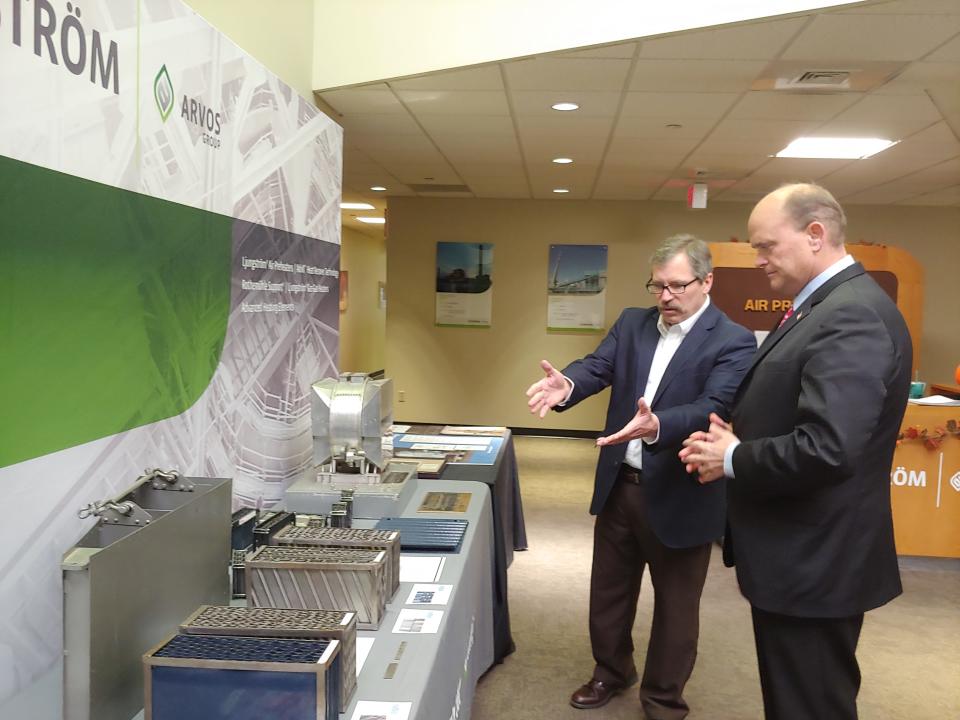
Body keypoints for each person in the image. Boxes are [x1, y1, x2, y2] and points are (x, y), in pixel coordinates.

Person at [679, 183, 912, 720]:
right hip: (803, 555)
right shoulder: (822, 307)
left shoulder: (851, 314)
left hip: (817, 560)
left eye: (766, 247)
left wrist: (733, 458)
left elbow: (828, 447)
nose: (758, 260)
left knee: (809, 705)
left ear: (815, 234)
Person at [526, 235, 755, 719]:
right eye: (658, 286)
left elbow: (717, 404)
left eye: (677, 286)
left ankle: (663, 698)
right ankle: (611, 671)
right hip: (621, 487)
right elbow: (596, 366)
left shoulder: (732, 339)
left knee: (676, 608)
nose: (666, 296)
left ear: (707, 281)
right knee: (608, 592)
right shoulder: (633, 323)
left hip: (682, 492)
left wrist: (660, 425)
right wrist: (567, 384)